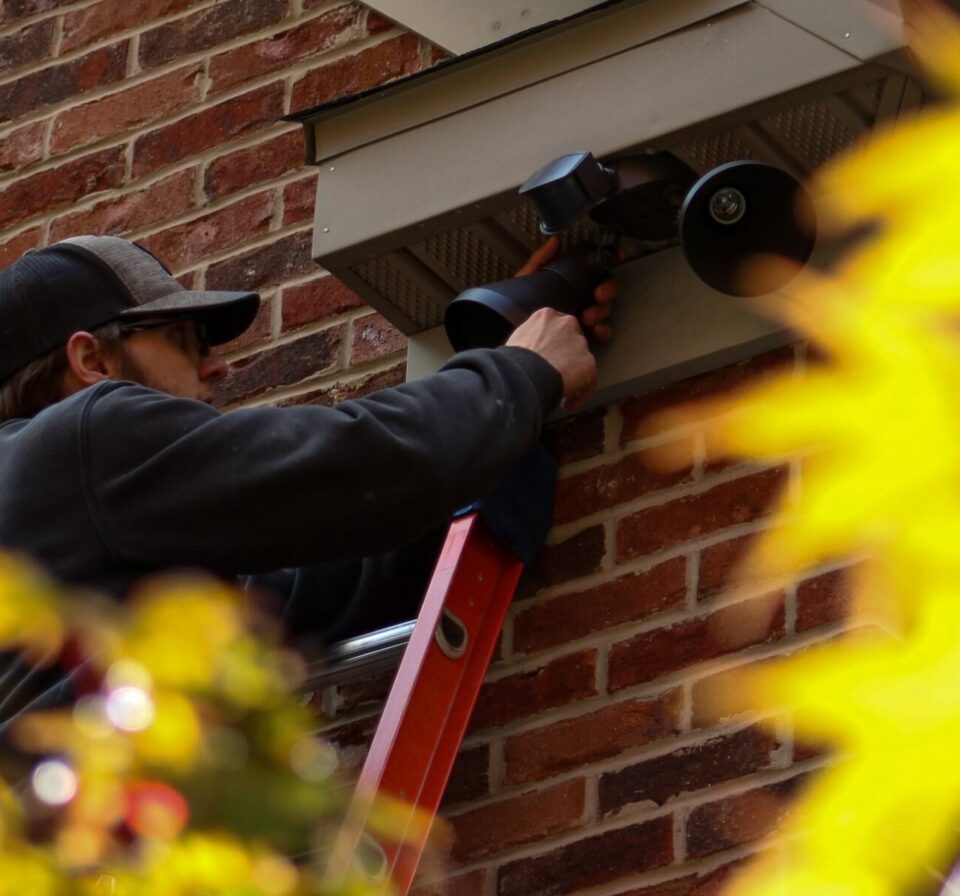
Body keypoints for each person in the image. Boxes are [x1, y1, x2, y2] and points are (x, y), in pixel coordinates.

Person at [0, 235, 614, 651]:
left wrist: (502, 411)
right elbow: (350, 467)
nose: (217, 368)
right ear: (92, 360)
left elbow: (303, 593)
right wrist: (520, 374)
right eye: (187, 340)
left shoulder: (85, 550)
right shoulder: (86, 438)